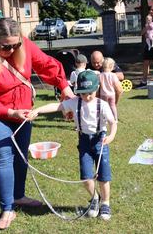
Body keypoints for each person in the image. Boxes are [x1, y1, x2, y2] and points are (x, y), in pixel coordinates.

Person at [0, 18, 75, 230]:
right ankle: (7, 209)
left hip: (23, 111)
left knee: (20, 156)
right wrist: (11, 112)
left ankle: (18, 196)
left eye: (15, 45)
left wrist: (64, 86)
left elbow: (46, 64)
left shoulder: (25, 45)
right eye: (5, 46)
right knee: (3, 156)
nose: (11, 49)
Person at [29, 70, 117, 220]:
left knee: (103, 176)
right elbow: (56, 106)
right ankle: (94, 198)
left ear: (96, 89)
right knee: (86, 176)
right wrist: (38, 110)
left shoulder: (101, 105)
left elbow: (113, 122)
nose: (87, 96)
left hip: (100, 141)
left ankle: (105, 203)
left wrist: (111, 135)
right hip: (84, 142)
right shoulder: (75, 102)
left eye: (90, 93)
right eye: (83, 93)